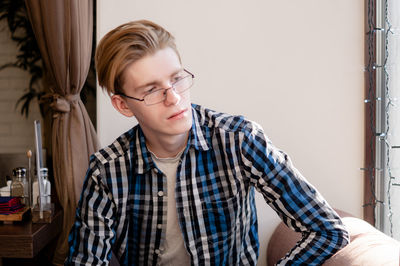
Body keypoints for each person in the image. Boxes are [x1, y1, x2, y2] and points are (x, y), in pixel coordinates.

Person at [66, 20, 349, 265]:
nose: (174, 98)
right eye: (152, 90)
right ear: (123, 105)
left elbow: (327, 230)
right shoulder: (106, 170)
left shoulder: (239, 140)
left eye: (177, 79)